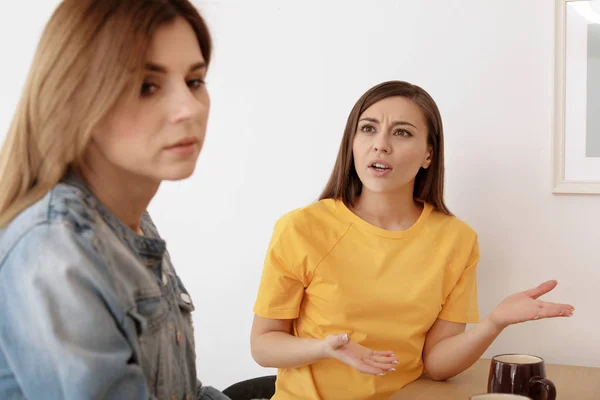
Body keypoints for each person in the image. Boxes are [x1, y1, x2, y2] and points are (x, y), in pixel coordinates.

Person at [250, 80, 574, 400]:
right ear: (352, 143)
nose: (381, 144)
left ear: (428, 155)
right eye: (368, 129)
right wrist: (324, 348)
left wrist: (493, 323)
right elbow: (264, 345)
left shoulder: (456, 240)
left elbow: (437, 365)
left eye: (401, 132)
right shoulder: (301, 228)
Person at [0, 1, 230, 399]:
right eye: (147, 86)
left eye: (194, 81)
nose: (189, 108)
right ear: (76, 99)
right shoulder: (54, 249)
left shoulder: (129, 219)